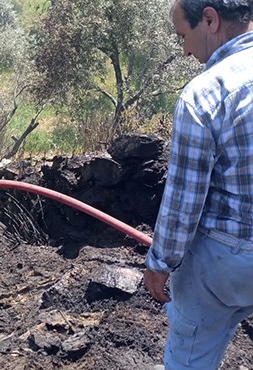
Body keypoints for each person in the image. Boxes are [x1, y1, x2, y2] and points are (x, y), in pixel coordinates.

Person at [144, 1, 253, 369]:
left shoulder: (205, 93)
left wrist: (160, 263)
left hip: (227, 261)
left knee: (190, 358)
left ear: (209, 19)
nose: (185, 50)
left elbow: (183, 201)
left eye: (183, 36)